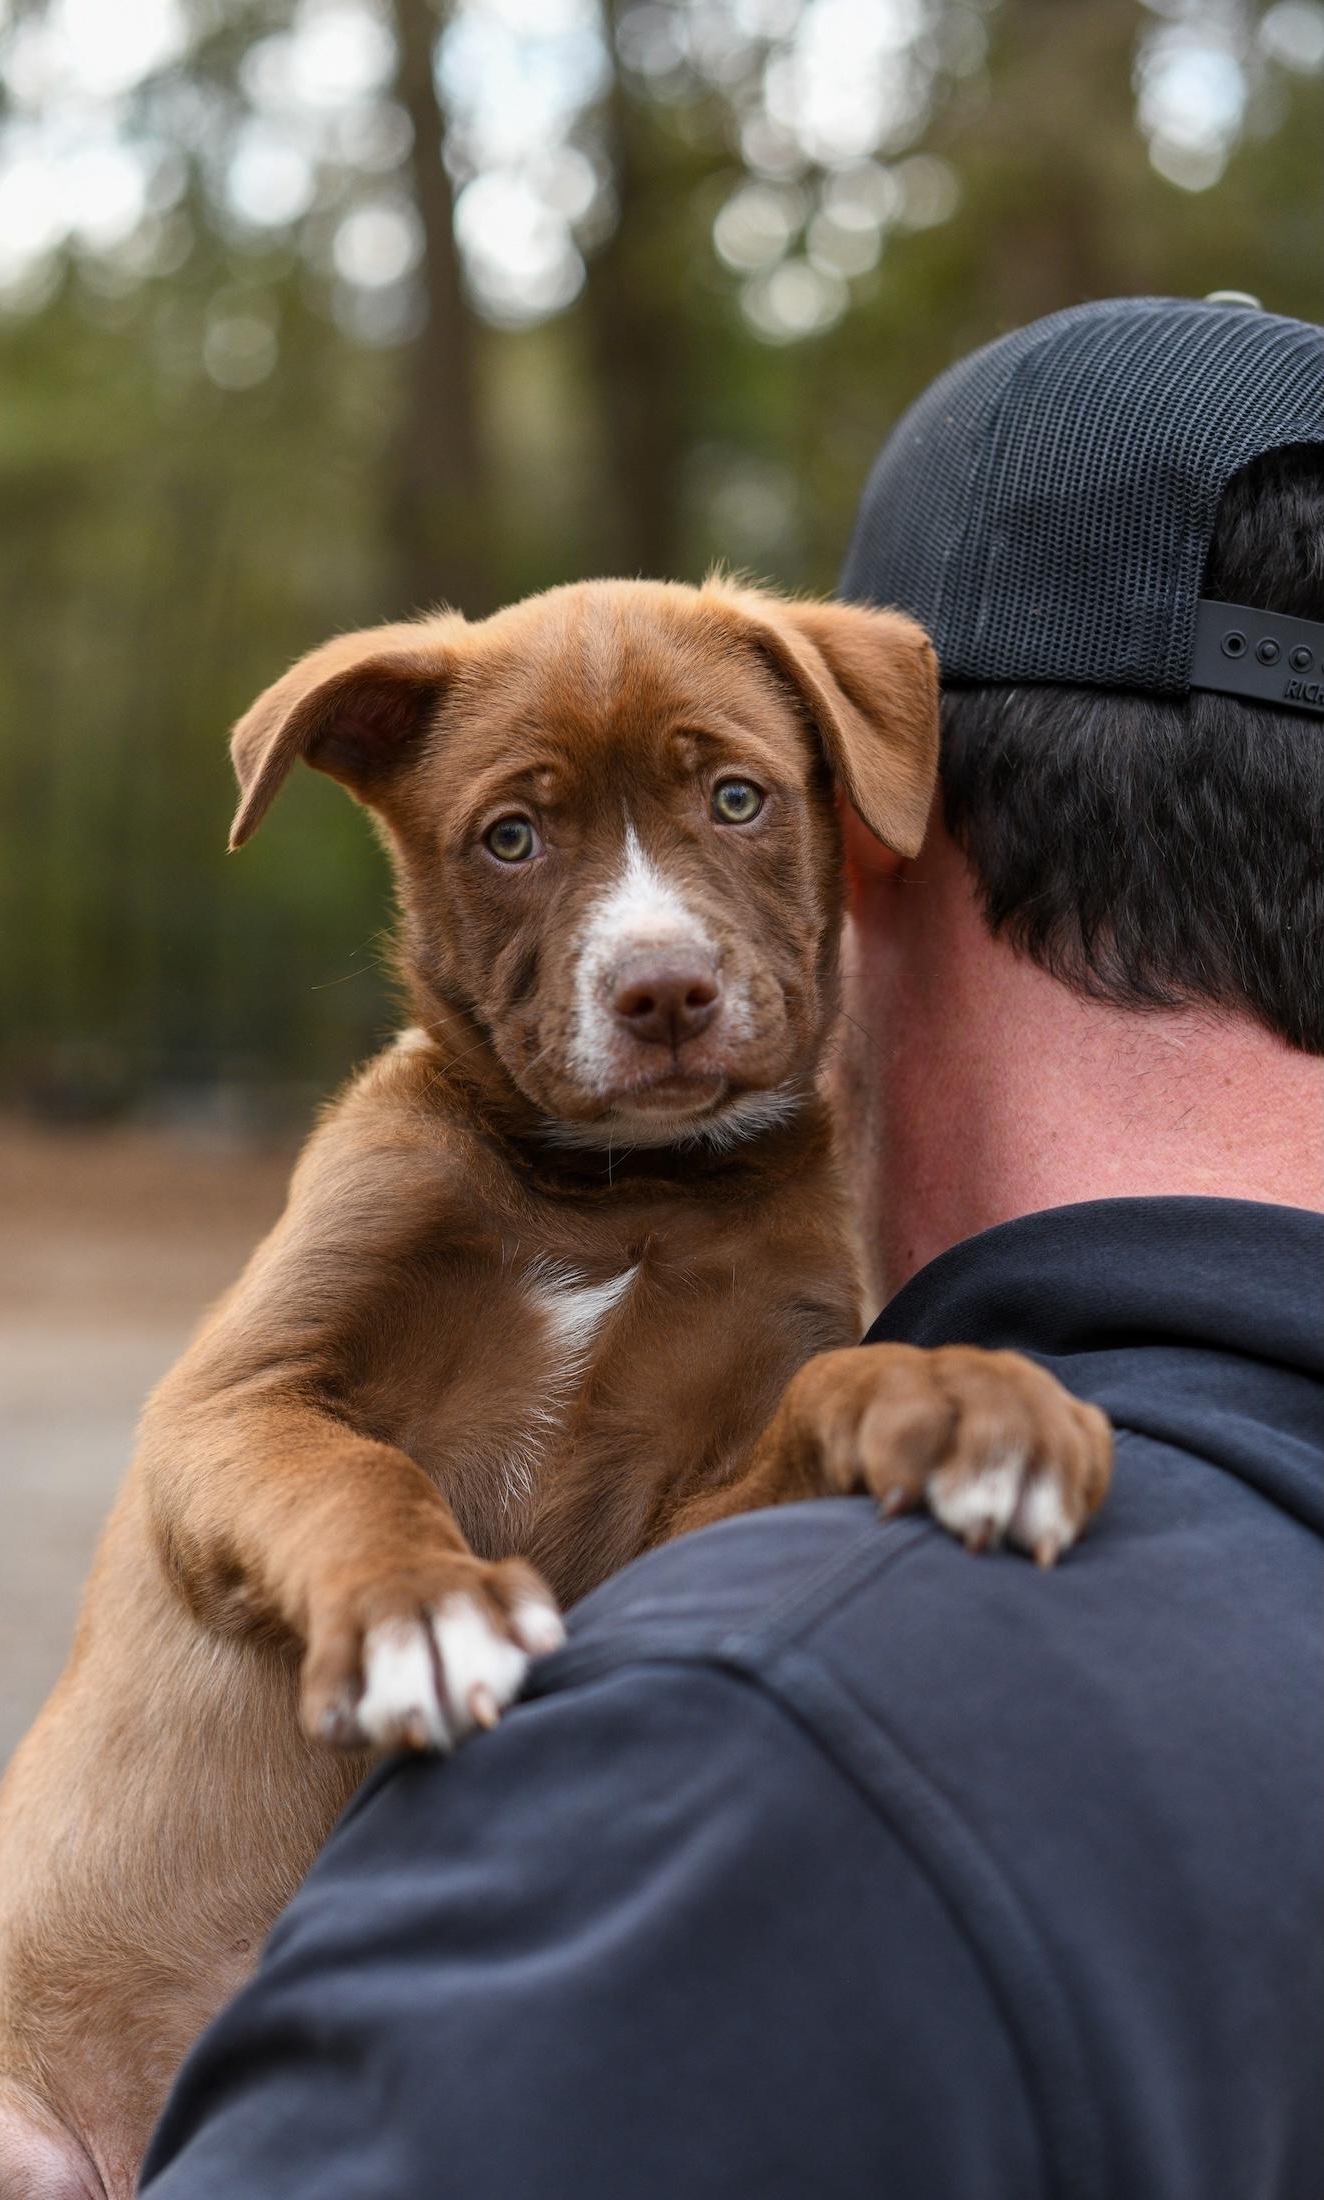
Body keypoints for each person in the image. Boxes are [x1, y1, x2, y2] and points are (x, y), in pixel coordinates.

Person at [140, 297, 1324, 2200]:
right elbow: (233, 1426)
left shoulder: (748, 1761)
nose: (660, 944)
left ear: (875, 826)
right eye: (520, 834)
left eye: (735, 804)